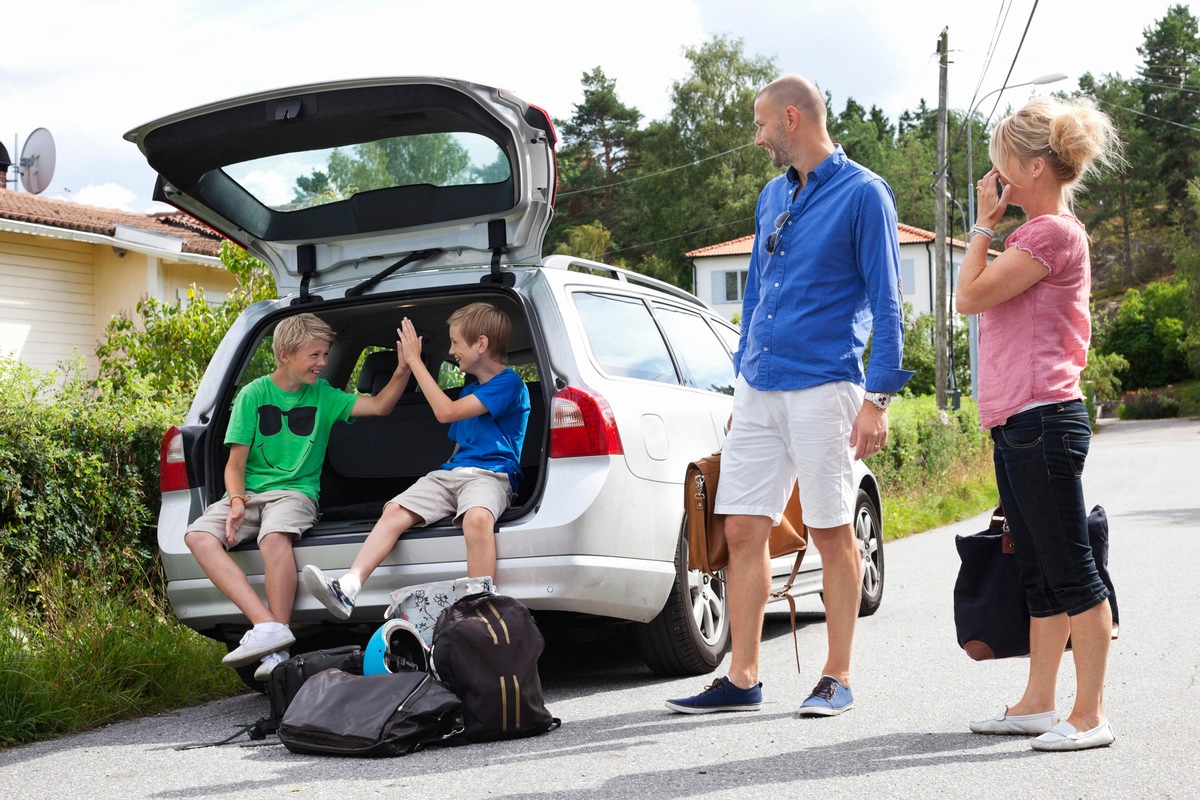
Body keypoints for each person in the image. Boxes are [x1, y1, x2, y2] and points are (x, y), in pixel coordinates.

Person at [666, 75, 912, 716]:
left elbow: (887, 302)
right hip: (759, 387)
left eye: (761, 124)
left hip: (826, 385)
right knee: (743, 528)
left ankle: (837, 676)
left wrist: (877, 397)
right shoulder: (772, 195)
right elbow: (756, 295)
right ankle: (742, 677)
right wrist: (741, 378)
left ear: (793, 119)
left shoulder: (864, 195)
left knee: (832, 531)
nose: (757, 137)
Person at [956, 96, 1123, 752]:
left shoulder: (1049, 233)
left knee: (1071, 569)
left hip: (1044, 420)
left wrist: (982, 226)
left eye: (999, 162)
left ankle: (1090, 715)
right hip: (1022, 421)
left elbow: (969, 296)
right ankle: (1037, 702)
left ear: (1029, 166)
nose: (994, 173)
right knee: (1039, 571)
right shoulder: (1045, 232)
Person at [185, 313, 413, 681]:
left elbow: (380, 405)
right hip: (249, 493)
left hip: (296, 493)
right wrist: (238, 502)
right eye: (315, 355)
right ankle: (267, 628)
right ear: (285, 355)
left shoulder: (323, 395)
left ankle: (278, 648)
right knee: (197, 536)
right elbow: (234, 465)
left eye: (325, 354)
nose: (323, 363)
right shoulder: (253, 395)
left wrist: (403, 368)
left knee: (273, 539)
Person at [304, 301, 530, 618]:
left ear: (481, 344)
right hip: (451, 474)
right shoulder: (469, 392)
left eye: (455, 342)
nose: (452, 350)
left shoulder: (510, 384)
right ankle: (349, 586)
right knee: (395, 510)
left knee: (477, 519)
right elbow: (458, 446)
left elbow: (444, 412)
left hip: (490, 475)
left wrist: (415, 361)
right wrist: (440, 479)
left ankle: (480, 607)